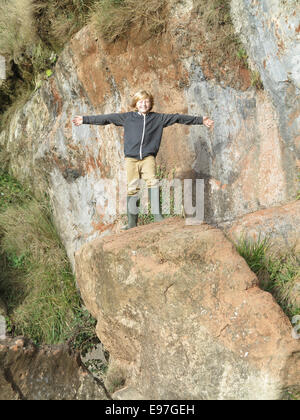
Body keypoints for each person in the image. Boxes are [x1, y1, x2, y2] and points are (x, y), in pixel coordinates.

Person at [72, 90, 214, 229]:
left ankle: (157, 216)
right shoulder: (127, 118)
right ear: (136, 103)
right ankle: (132, 223)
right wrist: (84, 119)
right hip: (131, 159)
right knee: (132, 189)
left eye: (146, 101)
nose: (143, 104)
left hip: (148, 158)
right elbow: (107, 118)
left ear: (150, 103)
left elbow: (178, 118)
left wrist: (201, 120)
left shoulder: (158, 118)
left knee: (153, 182)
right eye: (140, 101)